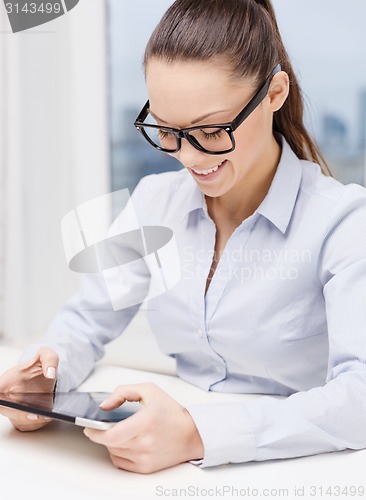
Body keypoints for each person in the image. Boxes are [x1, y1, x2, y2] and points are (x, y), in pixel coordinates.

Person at [1, 0, 366, 474]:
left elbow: (358, 399)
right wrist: (45, 378)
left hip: (298, 466)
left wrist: (197, 434)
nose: (190, 158)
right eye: (168, 131)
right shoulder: (156, 201)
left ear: (274, 93)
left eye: (212, 131)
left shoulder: (342, 222)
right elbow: (88, 318)